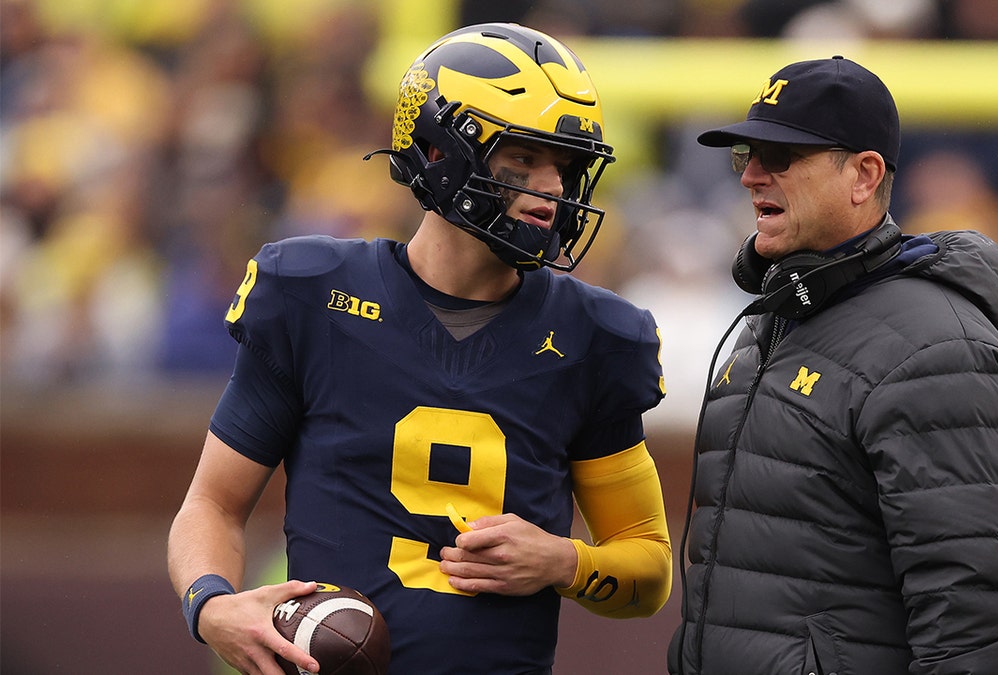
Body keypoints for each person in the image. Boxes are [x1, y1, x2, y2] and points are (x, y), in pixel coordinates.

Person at [167, 23, 672, 675]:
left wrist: (563, 560)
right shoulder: (312, 295)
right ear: (439, 152)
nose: (551, 188)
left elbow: (648, 564)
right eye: (522, 157)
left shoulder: (595, 336)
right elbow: (212, 503)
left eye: (566, 167)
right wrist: (211, 606)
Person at [668, 56, 998, 674]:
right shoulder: (778, 314)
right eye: (746, 157)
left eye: (780, 158)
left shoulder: (937, 351)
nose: (751, 177)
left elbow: (970, 626)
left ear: (865, 175)